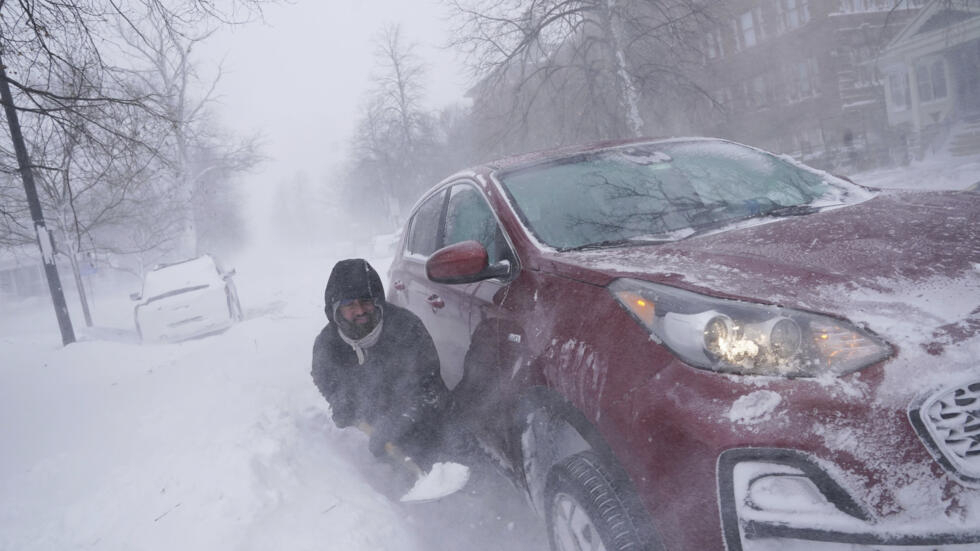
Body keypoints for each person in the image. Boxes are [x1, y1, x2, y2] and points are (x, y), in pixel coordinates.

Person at [311, 258, 451, 472]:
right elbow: (324, 379)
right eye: (350, 304)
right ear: (336, 309)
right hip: (370, 421)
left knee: (442, 446)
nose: (360, 311)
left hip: (419, 418)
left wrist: (397, 423)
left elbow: (428, 387)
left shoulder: (406, 328)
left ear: (378, 301)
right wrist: (341, 401)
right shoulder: (328, 344)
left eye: (366, 301)